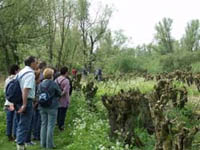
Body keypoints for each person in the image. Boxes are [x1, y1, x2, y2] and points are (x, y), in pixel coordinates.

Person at [16, 56, 37, 150]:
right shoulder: (30, 74)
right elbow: (26, 89)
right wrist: (25, 104)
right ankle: (20, 146)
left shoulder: (21, 72)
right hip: (26, 100)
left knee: (21, 123)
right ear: (32, 63)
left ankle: (22, 145)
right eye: (36, 62)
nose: (37, 64)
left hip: (19, 99)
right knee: (24, 124)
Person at [38, 68, 62, 149]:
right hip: (52, 106)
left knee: (43, 125)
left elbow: (38, 94)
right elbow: (60, 93)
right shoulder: (53, 84)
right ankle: (49, 145)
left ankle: (42, 144)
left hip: (42, 106)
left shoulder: (40, 84)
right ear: (51, 75)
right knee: (50, 126)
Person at [4, 64, 20, 141]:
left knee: (9, 120)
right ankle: (15, 135)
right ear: (16, 70)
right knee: (15, 120)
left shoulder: (7, 79)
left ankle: (9, 135)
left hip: (7, 102)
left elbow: (5, 91)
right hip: (14, 103)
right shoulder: (17, 79)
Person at [55, 67, 70, 131]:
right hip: (64, 99)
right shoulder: (66, 81)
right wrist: (68, 100)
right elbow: (66, 91)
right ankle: (61, 126)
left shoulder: (56, 80)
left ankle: (58, 123)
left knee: (58, 112)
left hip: (57, 99)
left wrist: (57, 95)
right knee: (63, 113)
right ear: (66, 72)